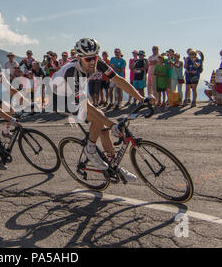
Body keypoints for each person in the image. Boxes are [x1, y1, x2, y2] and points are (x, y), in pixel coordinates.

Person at [52, 38, 155, 183]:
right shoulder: (71, 71)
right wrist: (112, 124)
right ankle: (90, 149)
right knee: (99, 118)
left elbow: (118, 80)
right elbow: (82, 105)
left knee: (104, 129)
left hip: (79, 93)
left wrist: (140, 98)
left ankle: (113, 165)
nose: (93, 62)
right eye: (89, 59)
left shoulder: (97, 63)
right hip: (62, 98)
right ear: (79, 58)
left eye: (95, 57)